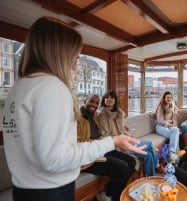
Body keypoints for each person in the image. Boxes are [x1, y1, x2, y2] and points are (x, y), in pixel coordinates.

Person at [2, 17, 146, 201]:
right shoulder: (51, 88)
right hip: (51, 192)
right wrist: (112, 141)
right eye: (76, 56)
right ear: (60, 53)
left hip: (23, 190)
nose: (76, 65)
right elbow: (55, 160)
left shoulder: (18, 87)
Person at [77, 94, 131, 201]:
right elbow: (76, 143)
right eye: (91, 101)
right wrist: (97, 141)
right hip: (87, 157)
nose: (94, 105)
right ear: (84, 101)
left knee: (131, 161)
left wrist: (123, 126)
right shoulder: (78, 119)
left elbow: (111, 114)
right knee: (122, 167)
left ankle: (108, 193)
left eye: (97, 103)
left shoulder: (95, 116)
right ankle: (114, 197)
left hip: (99, 149)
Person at [97, 90, 159, 177]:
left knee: (148, 155)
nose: (109, 99)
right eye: (107, 97)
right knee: (149, 144)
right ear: (103, 100)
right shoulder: (102, 115)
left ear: (115, 100)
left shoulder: (118, 114)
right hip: (118, 146)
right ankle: (157, 166)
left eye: (112, 98)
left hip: (126, 141)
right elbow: (105, 135)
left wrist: (130, 137)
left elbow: (123, 130)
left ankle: (150, 178)